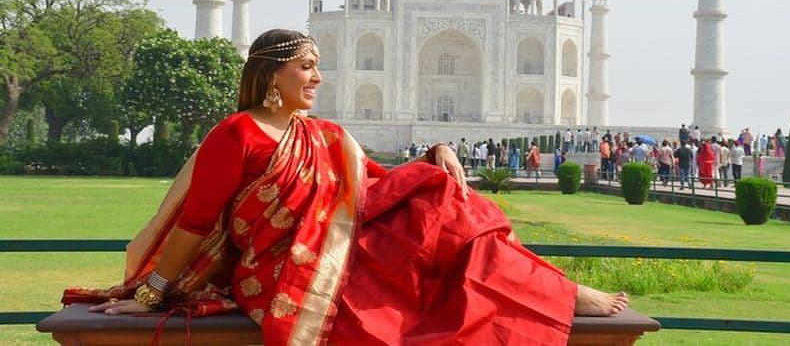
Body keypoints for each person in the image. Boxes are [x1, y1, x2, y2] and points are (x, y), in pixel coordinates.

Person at [67, 30, 627, 344]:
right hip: (279, 268)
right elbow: (195, 223)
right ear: (270, 76)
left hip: (334, 246)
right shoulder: (236, 135)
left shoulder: (320, 133)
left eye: (317, 66)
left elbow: (375, 181)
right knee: (425, 233)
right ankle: (559, 294)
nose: (317, 78)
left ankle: (556, 291)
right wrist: (152, 291)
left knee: (440, 198)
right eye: (306, 67)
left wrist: (437, 153)